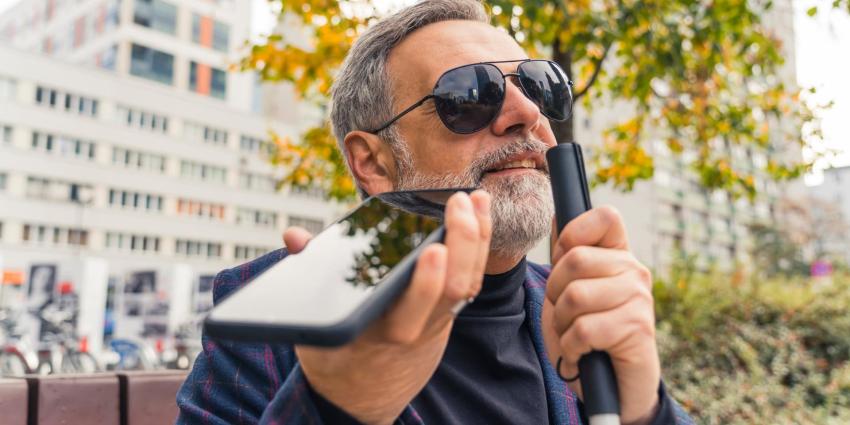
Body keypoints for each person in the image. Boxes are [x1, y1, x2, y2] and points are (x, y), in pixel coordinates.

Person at [176, 1, 695, 424]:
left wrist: (646, 411)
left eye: (539, 86)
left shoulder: (581, 304)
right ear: (372, 162)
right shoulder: (273, 314)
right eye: (471, 95)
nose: (527, 114)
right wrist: (335, 407)